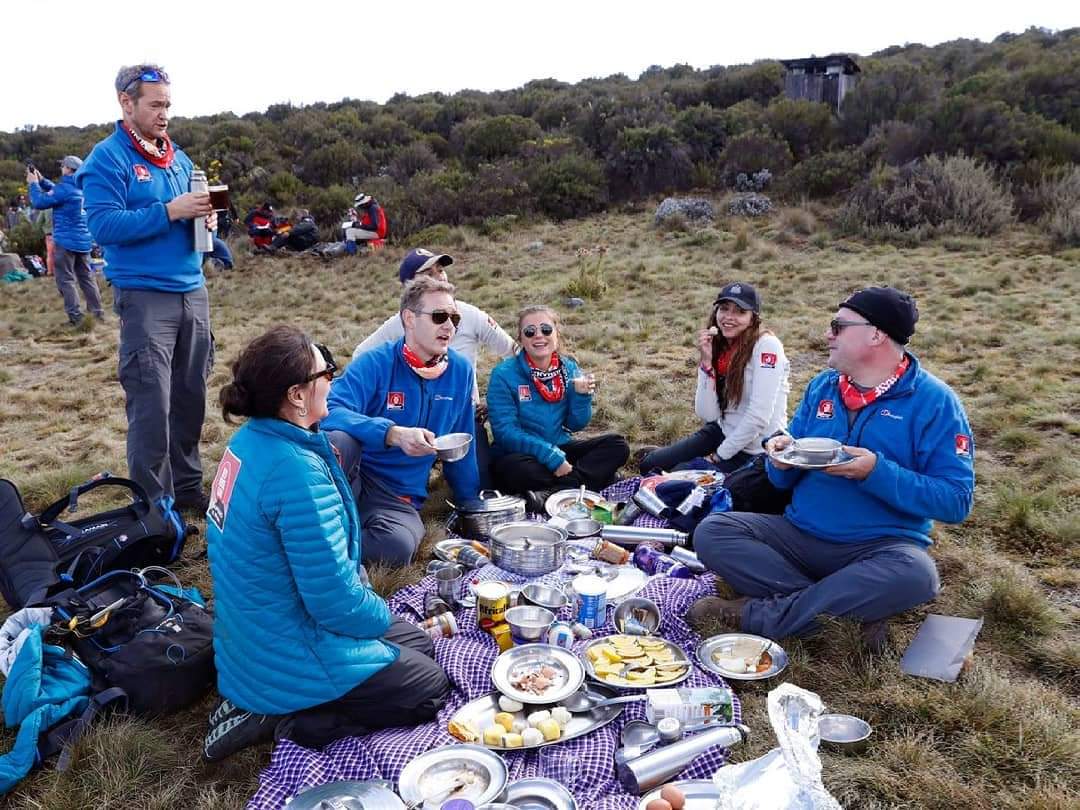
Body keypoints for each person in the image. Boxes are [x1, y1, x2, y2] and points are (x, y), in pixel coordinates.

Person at [202, 325, 449, 760]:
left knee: (419, 644)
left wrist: (377, 623)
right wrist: (375, 615)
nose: (334, 379)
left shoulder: (249, 442)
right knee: (429, 689)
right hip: (290, 647)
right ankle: (290, 716)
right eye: (327, 371)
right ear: (297, 395)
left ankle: (275, 696)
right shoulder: (294, 471)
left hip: (256, 635)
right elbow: (334, 601)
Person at [687, 287, 975, 651]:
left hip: (878, 548)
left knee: (918, 576)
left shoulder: (935, 402)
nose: (828, 334)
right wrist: (780, 458)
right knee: (713, 531)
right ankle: (846, 611)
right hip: (799, 536)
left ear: (876, 335)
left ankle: (754, 616)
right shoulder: (823, 386)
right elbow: (786, 472)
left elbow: (956, 501)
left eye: (838, 326)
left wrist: (875, 472)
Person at [78, 64, 216, 511]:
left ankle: (188, 486)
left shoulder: (178, 157)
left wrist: (207, 217)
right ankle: (154, 508)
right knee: (152, 404)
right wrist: (169, 211)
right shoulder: (108, 158)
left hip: (193, 291)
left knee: (191, 395)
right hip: (145, 297)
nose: (164, 115)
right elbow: (102, 225)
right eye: (155, 105)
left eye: (167, 105)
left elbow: (191, 205)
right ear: (126, 102)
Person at [323, 275, 480, 565]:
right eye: (439, 316)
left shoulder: (461, 371)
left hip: (397, 496)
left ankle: (321, 545)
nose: (449, 325)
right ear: (409, 318)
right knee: (337, 440)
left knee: (398, 547)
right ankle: (320, 530)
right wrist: (392, 433)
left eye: (454, 318)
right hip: (353, 477)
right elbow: (328, 409)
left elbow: (462, 440)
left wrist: (471, 504)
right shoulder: (375, 363)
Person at [352, 248, 516, 487]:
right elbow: (359, 357)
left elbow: (513, 352)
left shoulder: (471, 315)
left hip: (461, 417)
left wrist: (499, 399)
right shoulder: (398, 324)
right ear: (410, 286)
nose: (439, 276)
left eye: (440, 270)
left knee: (480, 482)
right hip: (408, 421)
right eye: (428, 272)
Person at [639, 282, 789, 475]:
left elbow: (759, 417)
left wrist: (717, 456)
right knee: (649, 465)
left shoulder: (767, 346)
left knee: (672, 477)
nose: (728, 317)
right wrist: (706, 363)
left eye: (740, 312)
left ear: (753, 318)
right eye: (724, 309)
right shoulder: (721, 344)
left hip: (753, 447)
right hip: (722, 430)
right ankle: (664, 455)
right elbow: (708, 414)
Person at [487, 305, 629, 507]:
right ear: (521, 339)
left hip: (561, 446)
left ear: (556, 334)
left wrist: (581, 398)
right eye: (530, 331)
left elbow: (575, 424)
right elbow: (505, 433)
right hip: (522, 455)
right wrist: (551, 457)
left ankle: (553, 493)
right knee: (515, 471)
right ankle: (593, 480)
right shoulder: (503, 374)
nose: (539, 336)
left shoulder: (568, 367)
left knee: (618, 445)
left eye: (546, 329)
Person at [27, 156, 104, 324]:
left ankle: (75, 318)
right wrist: (42, 180)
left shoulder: (64, 189)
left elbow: (39, 202)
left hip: (65, 242)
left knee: (66, 280)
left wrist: (33, 183)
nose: (61, 168)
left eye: (62, 166)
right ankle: (97, 313)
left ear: (68, 169)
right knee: (87, 278)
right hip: (83, 242)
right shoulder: (83, 187)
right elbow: (58, 191)